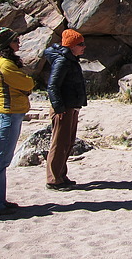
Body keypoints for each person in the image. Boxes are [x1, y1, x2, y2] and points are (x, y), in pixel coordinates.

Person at [0, 28, 34, 214]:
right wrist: (28, 82)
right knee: (0, 160)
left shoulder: (4, 62)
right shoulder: (5, 64)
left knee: (3, 160)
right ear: (7, 44)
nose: (19, 43)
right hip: (8, 113)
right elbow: (27, 83)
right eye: (15, 41)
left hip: (12, 113)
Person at [45, 29, 87, 191]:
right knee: (59, 143)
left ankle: (61, 175)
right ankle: (54, 179)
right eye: (80, 44)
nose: (84, 47)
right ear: (71, 46)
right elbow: (52, 86)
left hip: (71, 106)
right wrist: (59, 107)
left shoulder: (70, 60)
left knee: (67, 142)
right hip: (64, 108)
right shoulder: (62, 61)